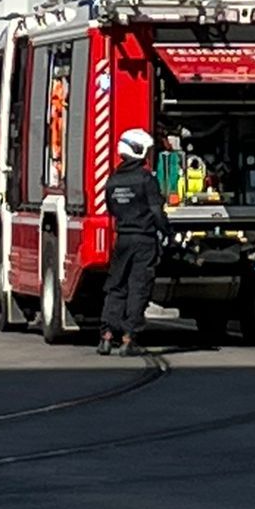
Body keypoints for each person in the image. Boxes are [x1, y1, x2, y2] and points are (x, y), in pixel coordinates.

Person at [98, 128, 170, 356]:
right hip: (144, 240)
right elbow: (157, 211)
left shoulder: (112, 180)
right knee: (138, 288)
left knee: (116, 286)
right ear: (138, 151)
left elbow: (111, 208)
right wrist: (167, 232)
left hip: (123, 240)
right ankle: (129, 339)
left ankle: (106, 337)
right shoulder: (145, 179)